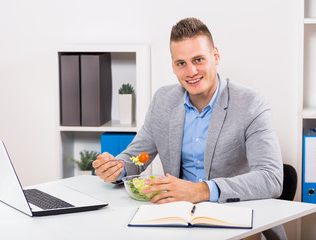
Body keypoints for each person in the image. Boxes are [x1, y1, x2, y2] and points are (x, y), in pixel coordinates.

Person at [93, 17, 285, 239]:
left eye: (198, 59)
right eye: (181, 63)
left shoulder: (251, 103)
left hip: (235, 220)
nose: (191, 71)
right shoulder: (163, 101)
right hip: (175, 220)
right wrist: (117, 168)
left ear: (216, 56)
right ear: (173, 66)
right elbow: (138, 156)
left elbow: (271, 178)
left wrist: (201, 190)